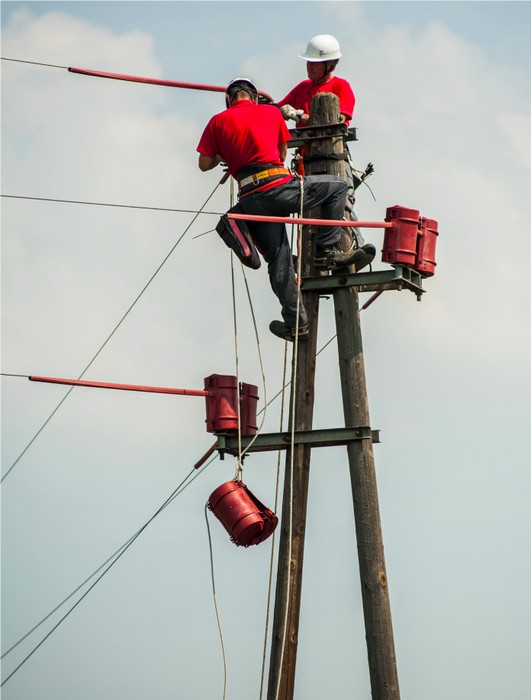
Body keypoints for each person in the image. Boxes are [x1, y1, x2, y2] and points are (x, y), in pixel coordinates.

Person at [197, 78, 368, 342]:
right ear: (254, 98)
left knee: (280, 261)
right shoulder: (271, 113)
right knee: (337, 185)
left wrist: (225, 154)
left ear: (229, 100)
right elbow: (281, 153)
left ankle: (297, 323)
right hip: (278, 188)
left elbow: (204, 164)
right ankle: (328, 251)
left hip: (251, 200)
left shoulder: (217, 122)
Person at [277, 35, 376, 271]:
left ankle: (352, 250)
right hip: (305, 158)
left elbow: (337, 121)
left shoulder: (340, 87)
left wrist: (298, 115)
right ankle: (308, 259)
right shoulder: (303, 88)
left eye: (314, 63)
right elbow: (278, 109)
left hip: (333, 157)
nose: (309, 67)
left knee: (343, 202)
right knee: (307, 209)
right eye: (308, 62)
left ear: (329, 65)